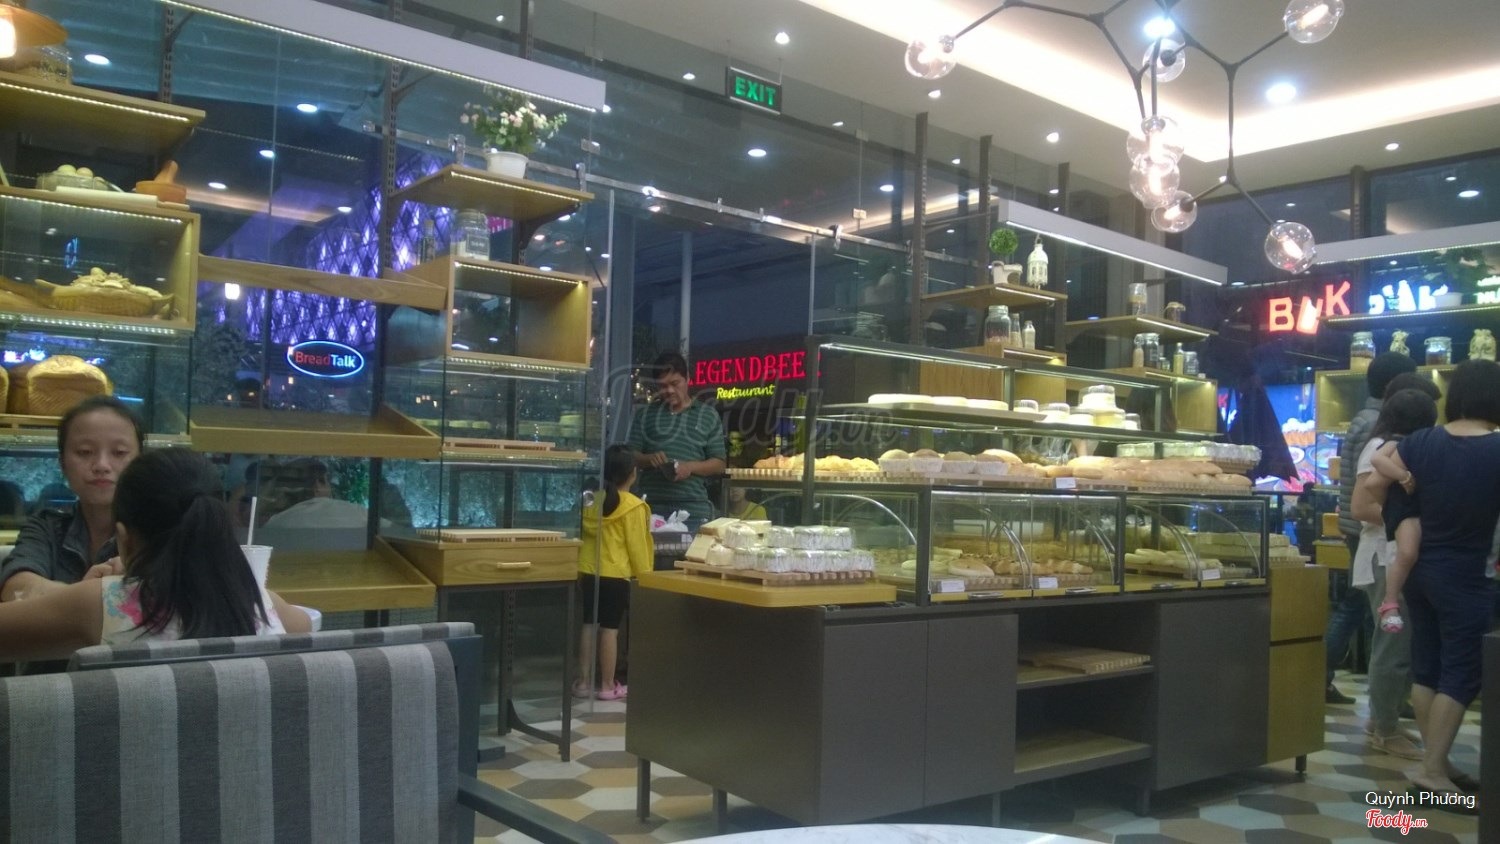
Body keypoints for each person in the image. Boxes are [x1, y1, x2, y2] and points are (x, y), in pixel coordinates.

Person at [0, 448, 310, 661]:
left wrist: (116, 583)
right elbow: (305, 625)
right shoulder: (265, 604)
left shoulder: (102, 602)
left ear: (124, 539)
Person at [1363, 359, 1500, 797]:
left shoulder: (1421, 441)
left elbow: (1373, 486)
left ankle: (1436, 761)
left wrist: (1403, 503)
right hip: (1468, 574)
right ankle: (1432, 770)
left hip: (1418, 570)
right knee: (1462, 672)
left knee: (1427, 667)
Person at [1348, 381, 1441, 761]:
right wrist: (1410, 518)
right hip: (1383, 557)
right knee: (1394, 645)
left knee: (1400, 643)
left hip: (1394, 557)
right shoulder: (1382, 447)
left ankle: (1381, 720)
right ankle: (1386, 729)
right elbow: (1360, 506)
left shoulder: (1397, 445)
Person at [1326, 351, 1417, 703]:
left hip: (1357, 523)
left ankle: (1379, 695)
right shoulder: (1378, 426)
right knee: (1362, 609)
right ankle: (1379, 704)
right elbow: (1369, 484)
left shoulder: (1363, 418)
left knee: (1362, 607)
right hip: (1367, 525)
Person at [0, 396, 144, 604]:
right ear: (62, 463)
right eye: (85, 452)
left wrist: (70, 598)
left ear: (141, 462)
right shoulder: (47, 526)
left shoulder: (159, 530)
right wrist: (87, 595)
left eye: (119, 452)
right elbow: (16, 588)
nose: (101, 465)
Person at [575, 444, 653, 701]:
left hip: (588, 571)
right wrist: (646, 576)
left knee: (588, 625)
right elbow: (637, 547)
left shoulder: (592, 500)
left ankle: (583, 682)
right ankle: (607, 685)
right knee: (609, 629)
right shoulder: (634, 506)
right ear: (633, 474)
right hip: (616, 575)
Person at [627, 351, 727, 528]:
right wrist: (649, 459)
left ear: (687, 378)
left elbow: (719, 464)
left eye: (675, 383)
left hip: (694, 510)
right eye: (663, 386)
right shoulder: (646, 414)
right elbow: (629, 457)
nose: (669, 391)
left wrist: (689, 467)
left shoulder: (708, 415)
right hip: (651, 509)